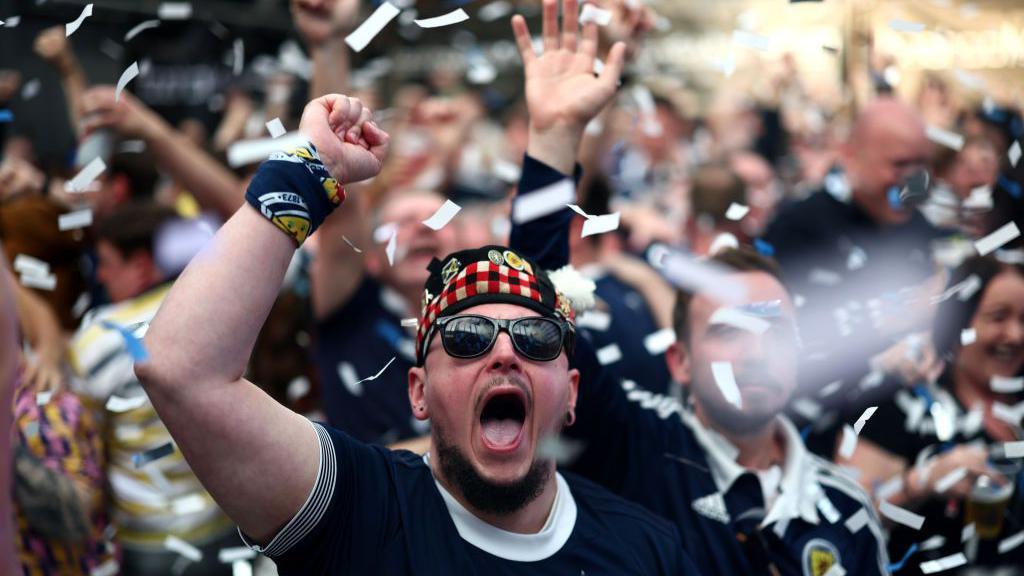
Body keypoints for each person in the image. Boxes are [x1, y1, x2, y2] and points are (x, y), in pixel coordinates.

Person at [136, 67, 699, 576]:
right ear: (419, 391)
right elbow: (180, 372)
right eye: (467, 339)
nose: (504, 353)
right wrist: (312, 166)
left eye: (535, 338)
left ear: (572, 393)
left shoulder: (648, 548)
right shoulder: (364, 508)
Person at [762, 97, 948, 454]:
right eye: (899, 165)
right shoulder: (800, 227)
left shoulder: (922, 230)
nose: (914, 181)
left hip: (911, 437)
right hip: (819, 443)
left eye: (923, 164)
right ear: (852, 156)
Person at [69, 202, 236, 575]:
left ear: (142, 265)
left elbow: (88, 446)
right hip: (230, 523)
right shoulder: (223, 310)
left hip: (150, 541)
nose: (100, 278)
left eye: (107, 264)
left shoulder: (96, 340)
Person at [848, 254, 1024, 574]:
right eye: (999, 317)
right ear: (960, 322)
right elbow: (845, 520)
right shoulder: (900, 405)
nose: (1015, 335)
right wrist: (922, 481)